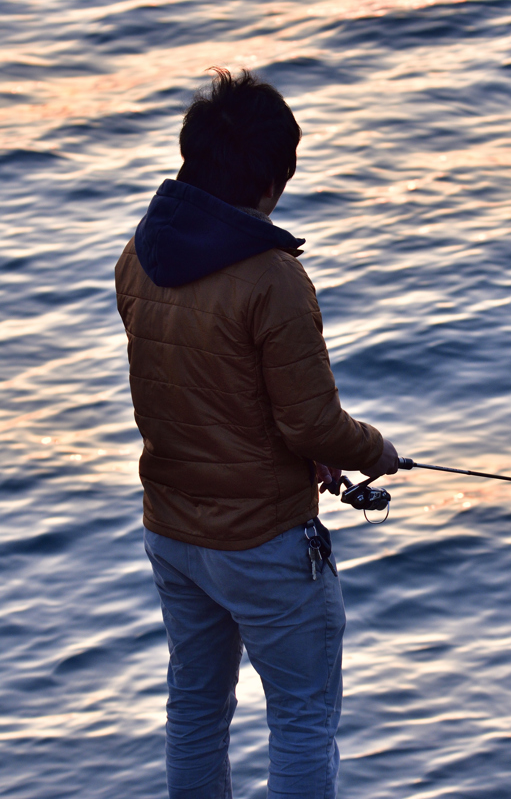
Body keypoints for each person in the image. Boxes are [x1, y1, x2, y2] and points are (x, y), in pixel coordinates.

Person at [115, 68, 398, 799]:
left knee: (196, 707)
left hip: (172, 531)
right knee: (302, 719)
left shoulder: (140, 255)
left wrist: (304, 455)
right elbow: (310, 421)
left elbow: (206, 397)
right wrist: (375, 453)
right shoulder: (271, 278)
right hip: (261, 543)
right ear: (271, 179)